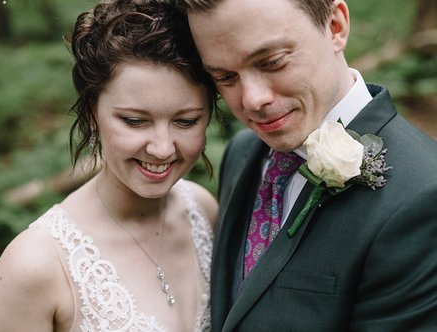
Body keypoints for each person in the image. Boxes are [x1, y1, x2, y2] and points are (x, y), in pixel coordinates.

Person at [178, 0, 437, 330]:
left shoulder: (423, 196)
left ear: (335, 27)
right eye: (226, 77)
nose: (251, 99)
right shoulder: (241, 153)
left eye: (272, 62)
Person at [0, 1, 219, 331]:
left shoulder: (204, 211)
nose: (162, 148)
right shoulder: (33, 267)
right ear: (91, 114)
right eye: (134, 121)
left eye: (186, 121)